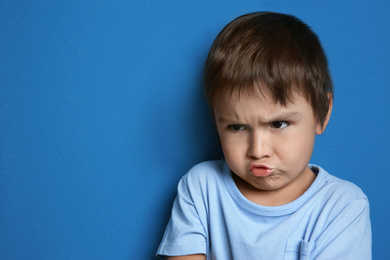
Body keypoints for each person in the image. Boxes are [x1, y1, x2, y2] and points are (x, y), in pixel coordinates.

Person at [156, 12, 371, 259]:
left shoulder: (342, 206)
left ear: (322, 113)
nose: (257, 150)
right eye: (237, 127)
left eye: (278, 123)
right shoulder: (201, 187)